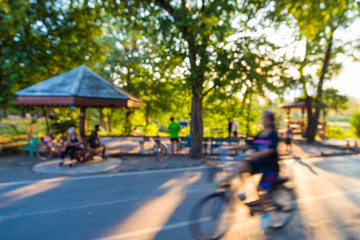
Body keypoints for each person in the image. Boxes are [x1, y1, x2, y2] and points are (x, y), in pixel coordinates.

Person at [225, 111, 279, 202]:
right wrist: (229, 148)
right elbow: (247, 145)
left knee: (261, 191)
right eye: (263, 118)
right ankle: (243, 191)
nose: (263, 120)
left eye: (265, 118)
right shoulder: (260, 134)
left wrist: (256, 154)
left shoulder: (273, 134)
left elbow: (271, 150)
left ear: (270, 121)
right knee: (239, 166)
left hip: (270, 166)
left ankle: (266, 213)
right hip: (258, 163)